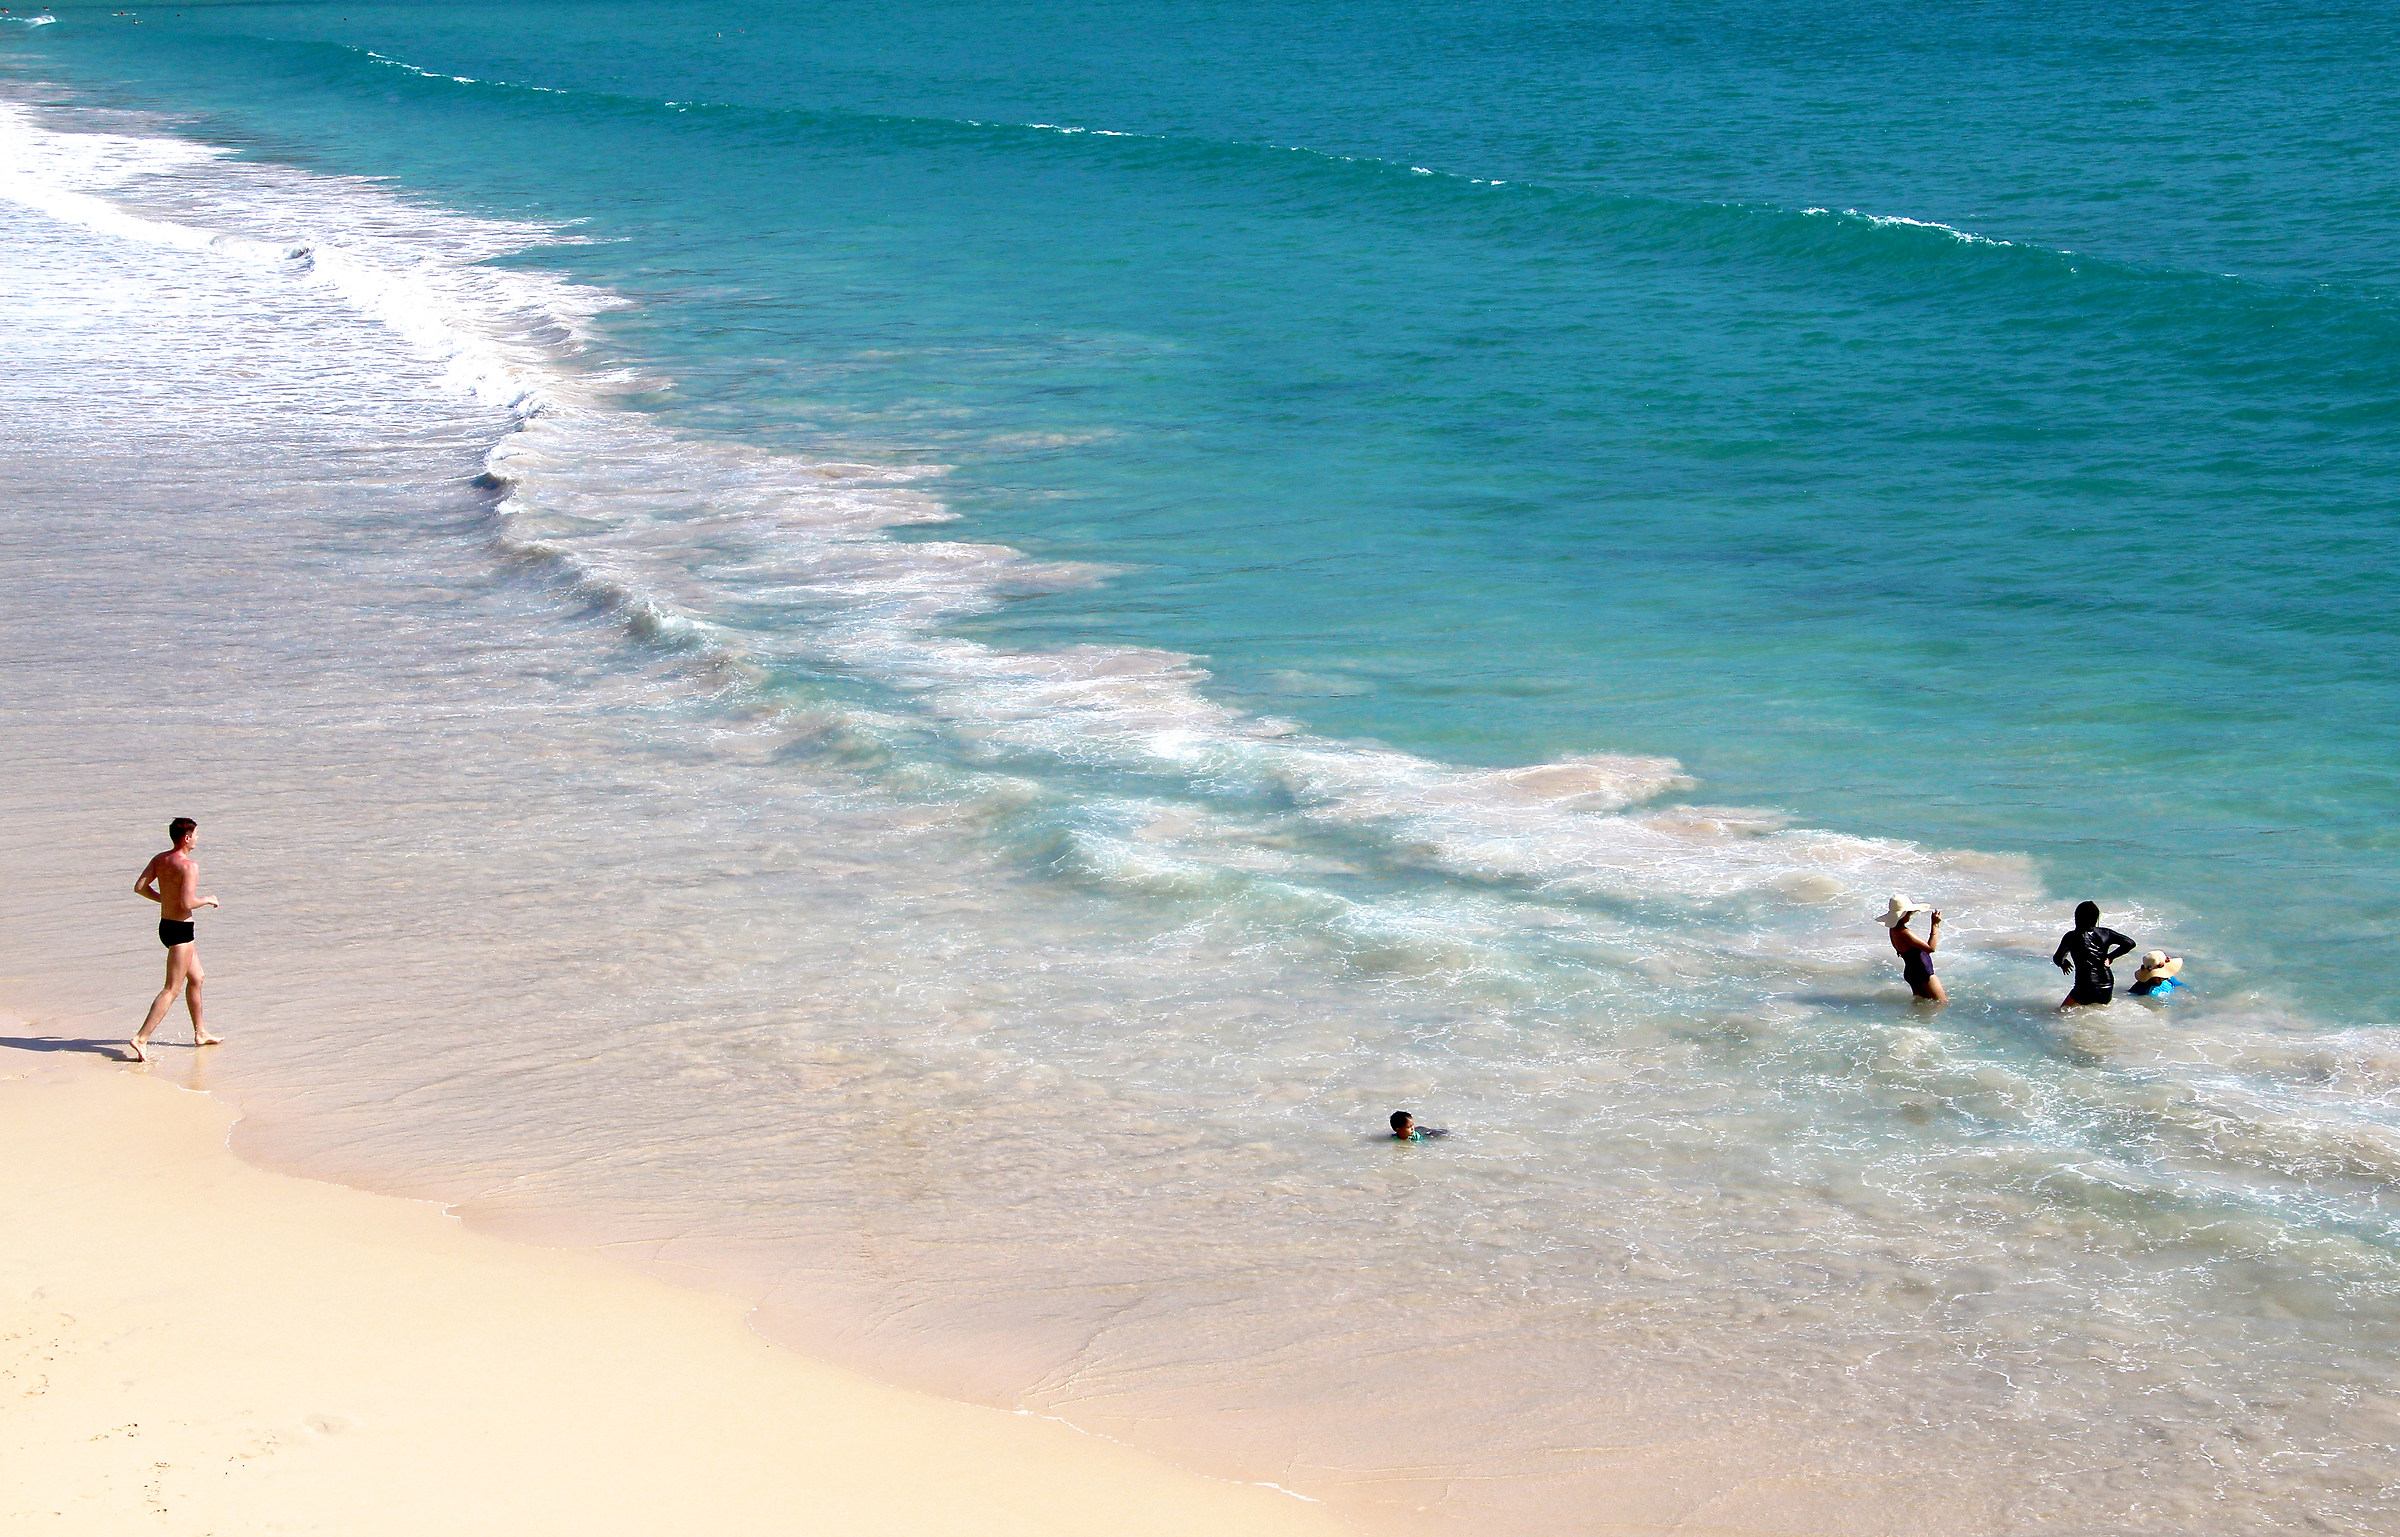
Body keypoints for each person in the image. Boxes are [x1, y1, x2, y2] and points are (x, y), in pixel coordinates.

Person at [130, 817, 219, 1062]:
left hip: (166, 927)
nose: (198, 838)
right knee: (172, 988)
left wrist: (164, 900)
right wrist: (209, 898)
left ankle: (200, 1033)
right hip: (181, 930)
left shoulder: (160, 859)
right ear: (187, 838)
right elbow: (187, 903)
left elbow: (140, 887)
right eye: (196, 834)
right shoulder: (189, 866)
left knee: (197, 977)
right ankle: (141, 1038)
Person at [2052, 900, 2135, 1009]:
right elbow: (2130, 943)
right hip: (2106, 985)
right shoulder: (2106, 933)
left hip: (2085, 986)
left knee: (2060, 1013)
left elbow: (2057, 958)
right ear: (2096, 918)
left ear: (2077, 917)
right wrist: (2110, 957)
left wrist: (2064, 964)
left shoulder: (2071, 936)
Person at [1876, 896, 1945, 1003]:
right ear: (1903, 915)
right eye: (1909, 913)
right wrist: (1935, 925)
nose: (1911, 915)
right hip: (1923, 972)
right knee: (1941, 1004)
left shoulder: (1893, 930)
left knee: (1921, 1005)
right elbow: (1931, 948)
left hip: (1911, 972)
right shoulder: (1904, 933)